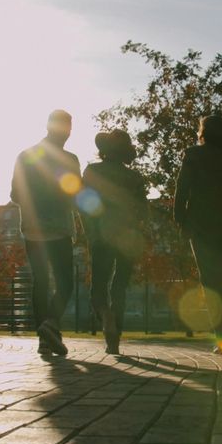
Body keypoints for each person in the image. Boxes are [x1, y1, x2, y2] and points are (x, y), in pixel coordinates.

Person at [174, 115, 222, 354]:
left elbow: (182, 188)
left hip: (201, 225)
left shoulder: (194, 155)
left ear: (204, 133)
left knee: (209, 280)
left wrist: (180, 219)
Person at [11, 109, 80, 356]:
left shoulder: (26, 155)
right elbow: (74, 195)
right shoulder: (70, 159)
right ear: (67, 130)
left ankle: (45, 338)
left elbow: (15, 194)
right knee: (66, 283)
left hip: (32, 229)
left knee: (41, 283)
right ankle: (50, 325)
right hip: (59, 229)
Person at [81, 130, 147, 355]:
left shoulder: (93, 171)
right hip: (128, 237)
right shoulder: (135, 178)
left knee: (98, 288)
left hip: (102, 234)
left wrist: (89, 232)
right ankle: (115, 338)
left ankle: (106, 318)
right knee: (119, 286)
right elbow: (142, 211)